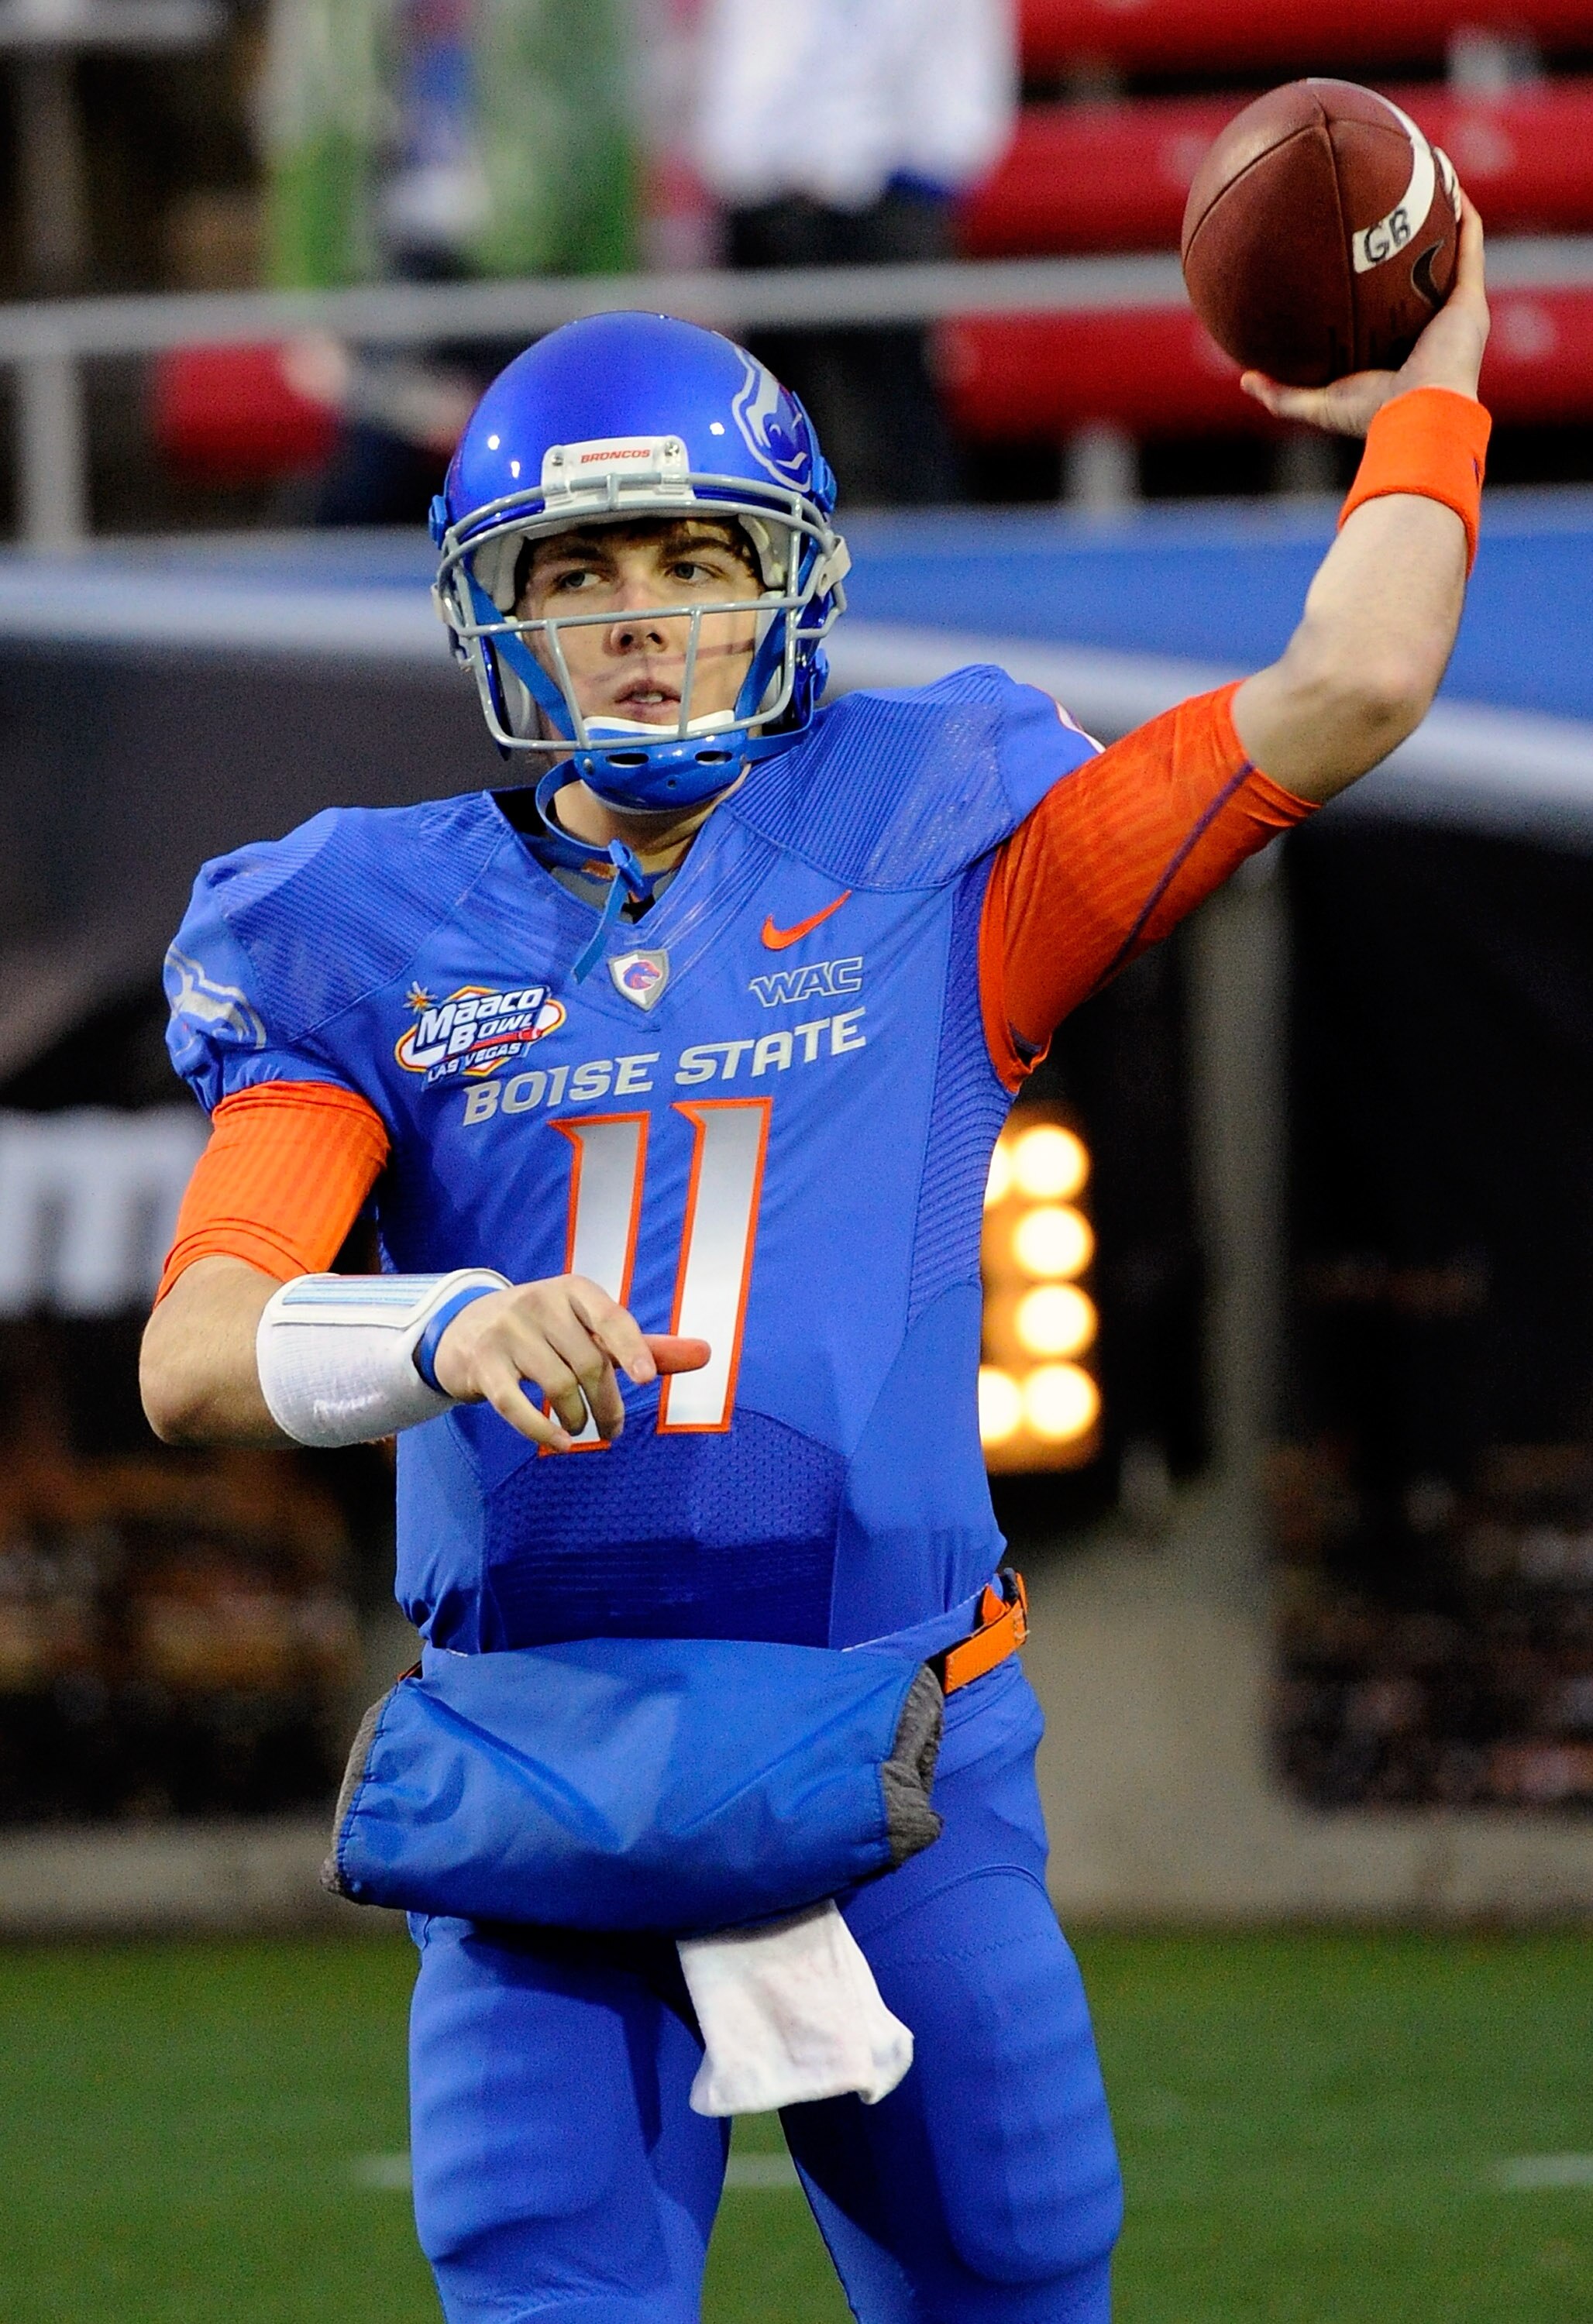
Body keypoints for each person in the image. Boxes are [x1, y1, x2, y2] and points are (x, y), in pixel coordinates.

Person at [140, 201, 1492, 2324]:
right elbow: (202, 1347)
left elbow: (1357, 682)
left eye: (695, 560)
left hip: (899, 1740)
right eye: (581, 575)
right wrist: (446, 1323)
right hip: (548, 1775)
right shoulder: (363, 926)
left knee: (1013, 2279)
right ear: (499, 614)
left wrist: (1435, 395)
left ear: (789, 579)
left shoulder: (931, 832)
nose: (644, 621)